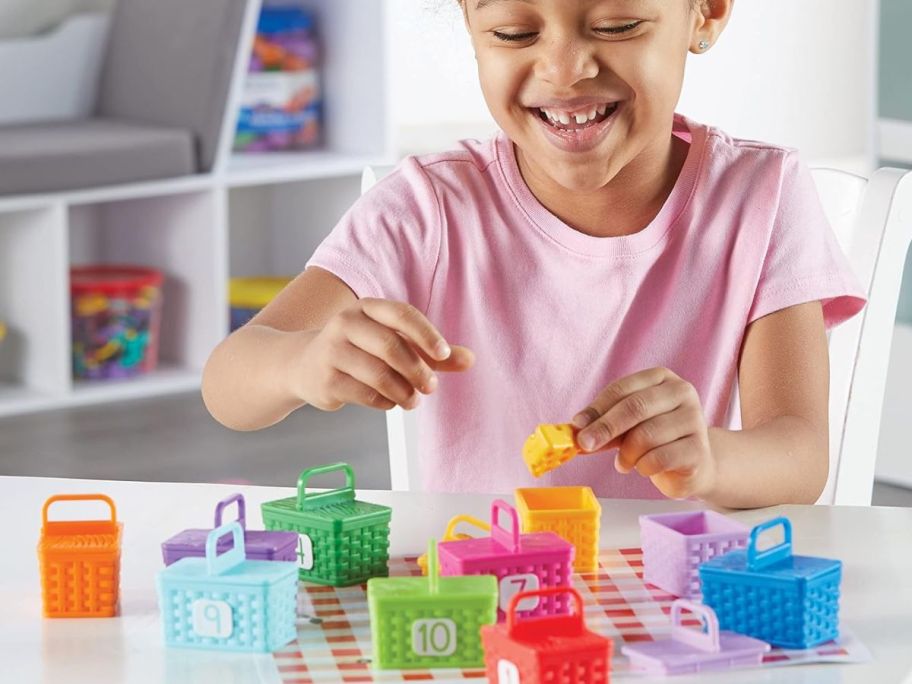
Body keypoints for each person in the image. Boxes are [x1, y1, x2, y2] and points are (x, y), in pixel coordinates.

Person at [203, 0, 865, 508]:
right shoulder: (430, 207)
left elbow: (799, 456)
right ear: (470, 24)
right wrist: (303, 361)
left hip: (670, 605)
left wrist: (712, 461)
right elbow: (228, 387)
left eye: (617, 25)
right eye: (516, 32)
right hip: (480, 596)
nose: (564, 68)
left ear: (706, 12)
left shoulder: (761, 197)